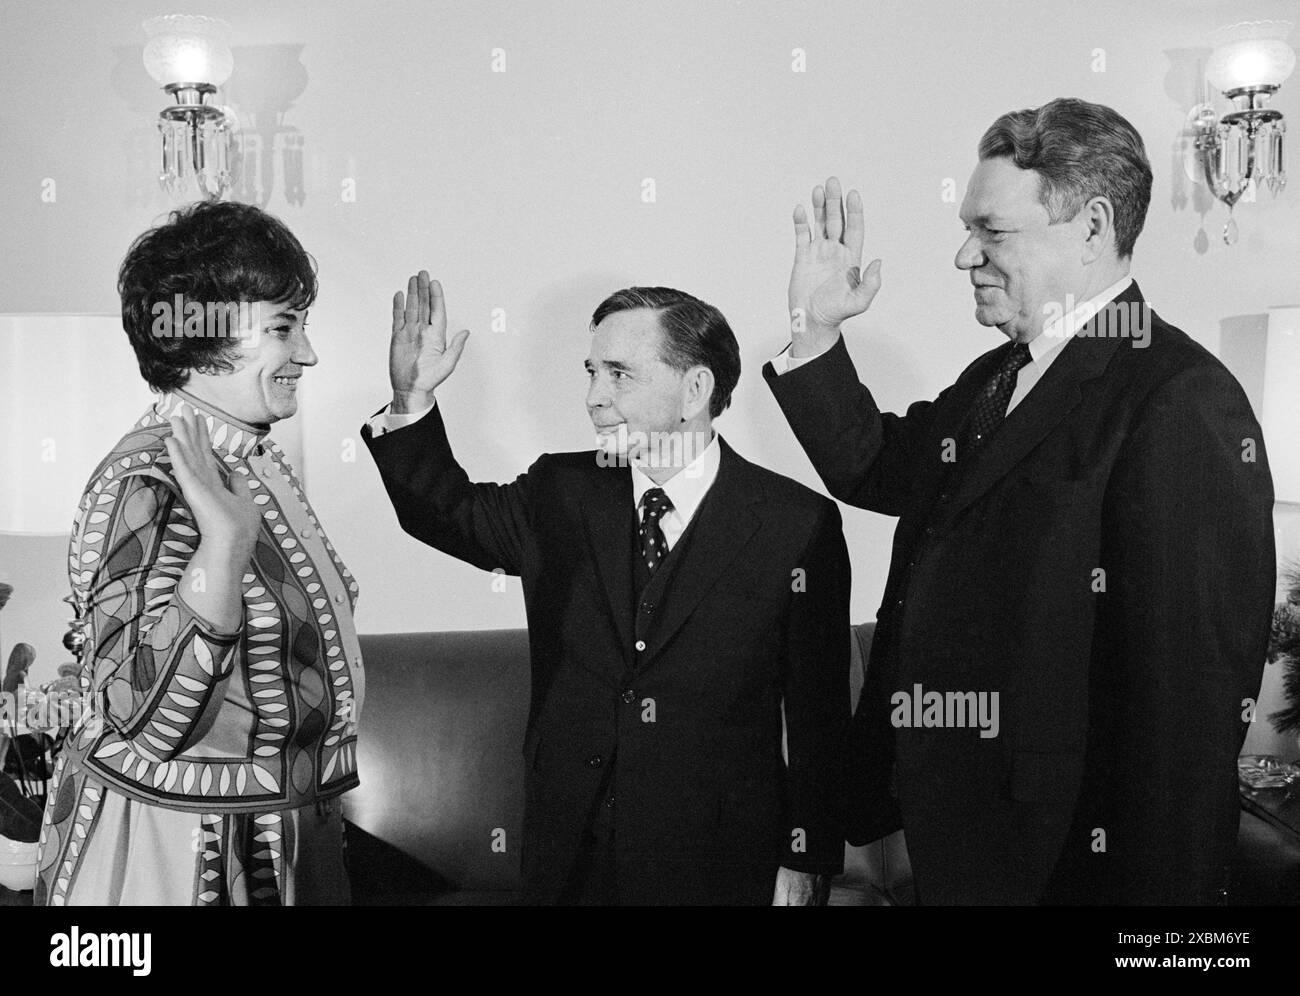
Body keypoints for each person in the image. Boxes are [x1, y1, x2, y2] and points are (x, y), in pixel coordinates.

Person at [764, 97, 1275, 904]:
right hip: (960, 830)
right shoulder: (997, 376)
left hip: (1067, 861)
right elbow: (875, 468)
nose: (966, 255)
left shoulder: (1181, 399)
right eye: (969, 229)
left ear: (1093, 226)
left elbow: (1185, 713)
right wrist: (815, 330)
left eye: (993, 231)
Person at [364, 276, 849, 905]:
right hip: (570, 856)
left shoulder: (794, 523)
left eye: (619, 374)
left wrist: (806, 858)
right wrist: (411, 398)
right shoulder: (559, 492)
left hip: (720, 862)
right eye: (592, 372)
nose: (595, 397)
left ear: (695, 389)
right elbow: (444, 511)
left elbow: (819, 717)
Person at [35, 201, 363, 906]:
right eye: (283, 326)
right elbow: (144, 717)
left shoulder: (247, 459)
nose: (306, 352)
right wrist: (225, 547)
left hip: (262, 827)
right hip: (177, 851)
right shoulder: (144, 481)